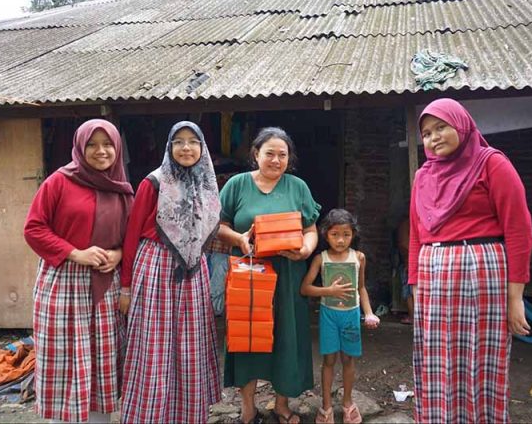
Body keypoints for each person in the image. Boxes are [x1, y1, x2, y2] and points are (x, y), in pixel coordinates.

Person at [409, 98, 532, 423]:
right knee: (437, 358)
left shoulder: (491, 164)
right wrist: (416, 287)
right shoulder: (423, 176)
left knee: (481, 356)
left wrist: (515, 298)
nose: (433, 137)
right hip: (433, 276)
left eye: (441, 127)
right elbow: (416, 235)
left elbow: (518, 230)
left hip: (480, 274)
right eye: (426, 133)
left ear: (462, 125)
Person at [23, 119, 134, 423]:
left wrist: (118, 254)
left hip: (105, 285)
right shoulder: (58, 182)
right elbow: (33, 229)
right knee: (65, 357)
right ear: (80, 148)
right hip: (63, 283)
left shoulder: (123, 191)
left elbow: (132, 237)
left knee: (101, 359)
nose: (101, 151)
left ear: (118, 148)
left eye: (108, 144)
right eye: (92, 145)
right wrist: (75, 253)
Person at [119, 121, 221, 423]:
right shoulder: (153, 183)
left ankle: (186, 415)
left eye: (193, 141)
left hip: (193, 272)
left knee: (189, 345)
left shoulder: (206, 184)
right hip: (156, 268)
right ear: (169, 146)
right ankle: (149, 415)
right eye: (179, 141)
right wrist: (126, 287)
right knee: (155, 346)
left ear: (202, 147)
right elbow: (132, 236)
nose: (186, 148)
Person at [218, 127, 321, 424]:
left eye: (282, 155)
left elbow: (311, 229)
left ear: (289, 158)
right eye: (270, 153)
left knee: (286, 336)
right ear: (256, 154)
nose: (276, 160)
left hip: (288, 274)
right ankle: (248, 407)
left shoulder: (297, 187)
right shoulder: (237, 184)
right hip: (248, 274)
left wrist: (305, 249)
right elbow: (219, 226)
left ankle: (281, 404)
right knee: (247, 336)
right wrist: (239, 239)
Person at [300, 209, 380, 424]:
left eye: (346, 234)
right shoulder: (321, 259)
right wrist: (329, 291)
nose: (341, 240)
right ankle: (326, 405)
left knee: (348, 359)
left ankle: (347, 403)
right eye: (335, 234)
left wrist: (369, 313)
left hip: (351, 315)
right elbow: (305, 288)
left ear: (353, 235)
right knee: (329, 360)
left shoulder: (359, 257)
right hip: (329, 315)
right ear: (326, 235)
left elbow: (361, 288)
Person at [396, 217, 413, 324]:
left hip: (410, 263)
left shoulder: (405, 225)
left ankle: (412, 317)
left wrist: (408, 262)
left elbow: (404, 245)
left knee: (409, 292)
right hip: (412, 261)